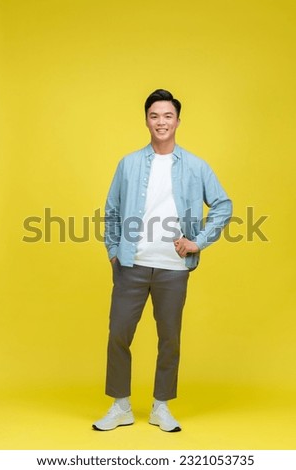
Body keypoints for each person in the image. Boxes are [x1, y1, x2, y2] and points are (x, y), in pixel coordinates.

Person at [92, 89, 232, 432]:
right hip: (131, 264)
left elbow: (223, 205)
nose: (161, 122)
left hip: (173, 268)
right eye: (154, 116)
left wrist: (197, 242)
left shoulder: (196, 166)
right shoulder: (129, 163)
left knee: (169, 338)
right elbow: (110, 212)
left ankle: (161, 406)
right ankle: (121, 406)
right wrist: (114, 250)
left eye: (167, 116)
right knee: (119, 334)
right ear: (146, 121)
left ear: (178, 121)